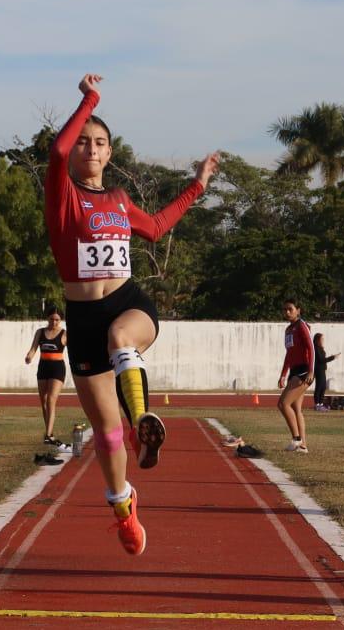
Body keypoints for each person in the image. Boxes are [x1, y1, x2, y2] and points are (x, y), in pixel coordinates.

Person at [45, 73, 217, 555]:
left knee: (123, 338)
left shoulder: (119, 200)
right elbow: (56, 154)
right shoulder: (62, 196)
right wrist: (90, 100)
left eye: (100, 143)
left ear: (110, 152)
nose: (90, 150)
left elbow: (158, 228)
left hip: (127, 303)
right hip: (82, 320)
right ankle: (123, 507)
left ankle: (145, 423)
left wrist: (197, 186)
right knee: (105, 432)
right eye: (84, 142)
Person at [25, 308, 70, 448]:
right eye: (52, 319)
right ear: (47, 319)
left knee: (51, 399)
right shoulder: (40, 332)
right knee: (43, 401)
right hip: (43, 367)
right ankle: (49, 432)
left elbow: (75, 350)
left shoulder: (64, 333)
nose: (54, 322)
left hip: (57, 368)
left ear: (61, 320)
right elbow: (33, 348)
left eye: (57, 319)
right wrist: (29, 356)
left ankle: (48, 434)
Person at [275, 301, 315, 451]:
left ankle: (296, 439)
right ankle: (303, 446)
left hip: (304, 371)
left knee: (283, 404)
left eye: (290, 309)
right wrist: (283, 374)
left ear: (298, 310)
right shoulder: (288, 330)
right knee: (296, 408)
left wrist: (311, 370)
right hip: (294, 371)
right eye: (284, 309)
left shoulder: (301, 325)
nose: (287, 312)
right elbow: (289, 354)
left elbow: (311, 348)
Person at [312, 332, 337, 410]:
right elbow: (321, 360)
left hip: (322, 369)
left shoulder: (320, 348)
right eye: (321, 339)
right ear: (317, 340)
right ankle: (317, 404)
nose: (323, 340)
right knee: (319, 387)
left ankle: (321, 404)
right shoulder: (316, 348)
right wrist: (332, 357)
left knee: (323, 387)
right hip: (318, 369)